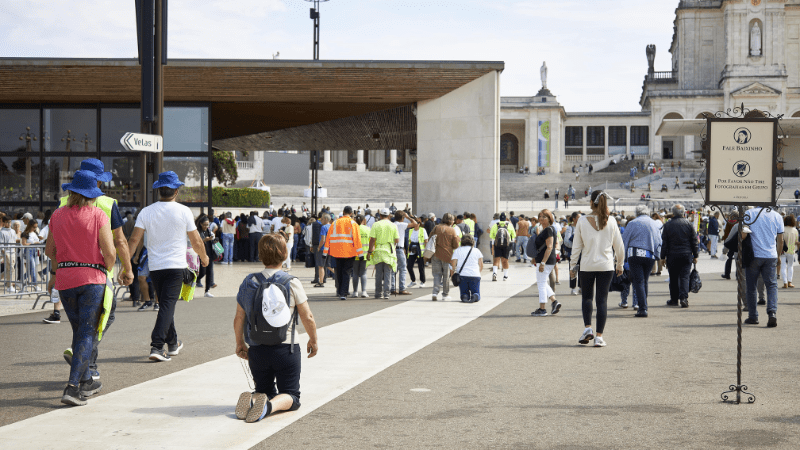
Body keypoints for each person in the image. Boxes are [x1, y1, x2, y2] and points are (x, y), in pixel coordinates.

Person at [45, 170, 117, 406]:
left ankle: (86, 380)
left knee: (79, 330)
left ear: (72, 192)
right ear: (92, 195)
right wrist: (106, 268)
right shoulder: (98, 215)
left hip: (65, 278)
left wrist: (59, 268)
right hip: (91, 278)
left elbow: (49, 251)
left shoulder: (57, 215)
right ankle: (72, 387)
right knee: (87, 331)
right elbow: (110, 252)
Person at [233, 233, 318, 423]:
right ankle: (268, 407)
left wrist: (240, 343)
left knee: (263, 390)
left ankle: (254, 399)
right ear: (284, 253)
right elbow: (307, 316)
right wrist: (313, 339)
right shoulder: (291, 282)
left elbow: (239, 317)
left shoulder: (248, 282)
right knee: (291, 396)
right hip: (285, 347)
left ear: (260, 255)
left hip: (256, 348)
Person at [127, 171, 209, 362]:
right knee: (166, 305)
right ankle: (157, 346)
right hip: (175, 266)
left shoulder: (146, 212)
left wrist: (125, 265)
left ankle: (173, 344)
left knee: (165, 304)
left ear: (158, 191)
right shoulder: (183, 211)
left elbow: (134, 239)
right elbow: (196, 241)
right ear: (176, 191)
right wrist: (204, 258)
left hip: (156, 267)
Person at [570, 190, 624, 347]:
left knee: (587, 297)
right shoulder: (612, 221)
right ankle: (599, 337)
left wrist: (573, 267)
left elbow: (576, 248)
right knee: (602, 300)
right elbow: (619, 246)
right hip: (606, 265)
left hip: (587, 264)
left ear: (590, 202)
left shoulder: (581, 221)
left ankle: (588, 328)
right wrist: (620, 264)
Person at [744, 206, 783, 328]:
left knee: (751, 286)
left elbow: (743, 235)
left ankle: (753, 316)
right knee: (771, 285)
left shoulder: (749, 213)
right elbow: (780, 239)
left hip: (754, 255)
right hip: (771, 255)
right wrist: (778, 255)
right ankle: (772, 313)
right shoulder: (777, 215)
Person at [621, 205, 662, 317]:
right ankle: (643, 306)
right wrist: (658, 255)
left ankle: (642, 308)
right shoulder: (654, 223)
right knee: (645, 281)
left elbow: (624, 240)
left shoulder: (632, 223)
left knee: (638, 281)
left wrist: (622, 258)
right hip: (649, 254)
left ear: (637, 212)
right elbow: (658, 240)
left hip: (634, 254)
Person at [660, 204, 699, 308]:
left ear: (673, 213)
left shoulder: (668, 224)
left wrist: (662, 257)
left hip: (672, 255)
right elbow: (694, 241)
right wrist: (696, 255)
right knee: (684, 277)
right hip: (686, 254)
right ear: (683, 212)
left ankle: (673, 299)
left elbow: (664, 243)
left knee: (673, 278)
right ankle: (684, 298)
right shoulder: (688, 224)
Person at [322, 206, 363, 301]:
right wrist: (360, 254)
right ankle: (343, 293)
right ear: (351, 213)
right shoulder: (353, 223)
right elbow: (357, 240)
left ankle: (340, 291)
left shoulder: (335, 223)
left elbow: (328, 238)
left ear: (343, 212)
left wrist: (325, 252)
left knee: (339, 272)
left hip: (336, 252)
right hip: (349, 252)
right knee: (346, 272)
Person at [531, 209, 561, 317]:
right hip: (545, 260)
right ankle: (554, 301)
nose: (541, 219)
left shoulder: (548, 229)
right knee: (542, 282)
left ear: (550, 218)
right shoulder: (547, 229)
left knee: (541, 284)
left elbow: (549, 247)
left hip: (546, 261)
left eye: (544, 217)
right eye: (540, 216)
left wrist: (543, 262)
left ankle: (542, 309)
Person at [367, 208, 398, 299]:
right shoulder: (393, 225)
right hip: (389, 251)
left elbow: (372, 239)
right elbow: (397, 240)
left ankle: (378, 293)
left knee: (379, 274)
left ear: (380, 215)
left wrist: (369, 252)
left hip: (378, 251)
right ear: (389, 216)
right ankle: (386, 294)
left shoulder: (376, 225)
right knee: (388, 273)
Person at [430, 213, 460, 301]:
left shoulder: (436, 228)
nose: (454, 221)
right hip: (447, 256)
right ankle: (445, 294)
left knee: (436, 275)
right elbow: (455, 245)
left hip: (435, 254)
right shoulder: (452, 230)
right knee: (446, 276)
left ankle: (435, 293)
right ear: (450, 221)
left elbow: (430, 238)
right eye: (453, 220)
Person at [450, 234, 483, 303]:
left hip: (462, 276)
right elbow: (481, 265)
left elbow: (453, 265)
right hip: (475, 275)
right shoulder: (477, 250)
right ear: (473, 242)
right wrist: (478, 272)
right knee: (476, 292)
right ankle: (475, 296)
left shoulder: (457, 251)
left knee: (464, 292)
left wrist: (452, 275)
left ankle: (465, 297)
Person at [390, 210, 416, 295]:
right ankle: (402, 288)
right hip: (399, 249)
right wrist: (408, 217)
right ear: (402, 218)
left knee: (393, 269)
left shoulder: (392, 224)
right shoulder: (402, 224)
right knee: (403, 269)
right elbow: (415, 224)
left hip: (392, 249)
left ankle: (393, 288)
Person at [489, 213, 516, 281]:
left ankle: (494, 273)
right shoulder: (509, 225)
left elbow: (491, 236)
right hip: (506, 245)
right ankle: (505, 276)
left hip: (497, 245)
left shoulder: (495, 225)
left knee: (496, 259)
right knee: (505, 260)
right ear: (505, 218)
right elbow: (514, 235)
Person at [196, 215, 217, 298]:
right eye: (205, 224)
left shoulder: (208, 230)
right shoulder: (197, 231)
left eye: (207, 224)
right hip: (201, 254)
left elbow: (213, 237)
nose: (206, 226)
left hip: (209, 254)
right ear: (201, 224)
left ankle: (207, 291)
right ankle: (196, 280)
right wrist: (204, 240)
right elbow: (196, 242)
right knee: (202, 272)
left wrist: (213, 237)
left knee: (209, 272)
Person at [352, 215, 371, 297]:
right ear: (364, 220)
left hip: (355, 254)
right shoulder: (367, 229)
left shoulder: (354, 228)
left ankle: (355, 292)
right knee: (363, 273)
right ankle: (363, 291)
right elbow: (371, 241)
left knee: (355, 273)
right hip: (365, 254)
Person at [406, 218, 428, 289]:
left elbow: (426, 241)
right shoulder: (410, 231)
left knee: (420, 266)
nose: (414, 224)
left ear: (419, 224)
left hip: (420, 250)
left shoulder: (422, 230)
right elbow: (409, 241)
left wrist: (426, 251)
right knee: (409, 266)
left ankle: (422, 281)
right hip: (412, 249)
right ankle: (413, 280)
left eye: (415, 223)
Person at [314, 214, 331, 288]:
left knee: (321, 266)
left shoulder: (323, 227)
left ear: (326, 219)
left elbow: (323, 239)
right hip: (331, 248)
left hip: (323, 249)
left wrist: (319, 247)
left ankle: (321, 282)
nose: (321, 220)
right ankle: (337, 276)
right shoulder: (332, 226)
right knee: (329, 265)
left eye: (322, 219)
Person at [781, 215, 798, 289]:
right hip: (791, 250)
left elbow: (780, 240)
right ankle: (789, 282)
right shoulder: (795, 230)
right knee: (790, 266)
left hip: (783, 251)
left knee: (783, 266)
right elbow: (796, 241)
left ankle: (785, 283)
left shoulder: (782, 229)